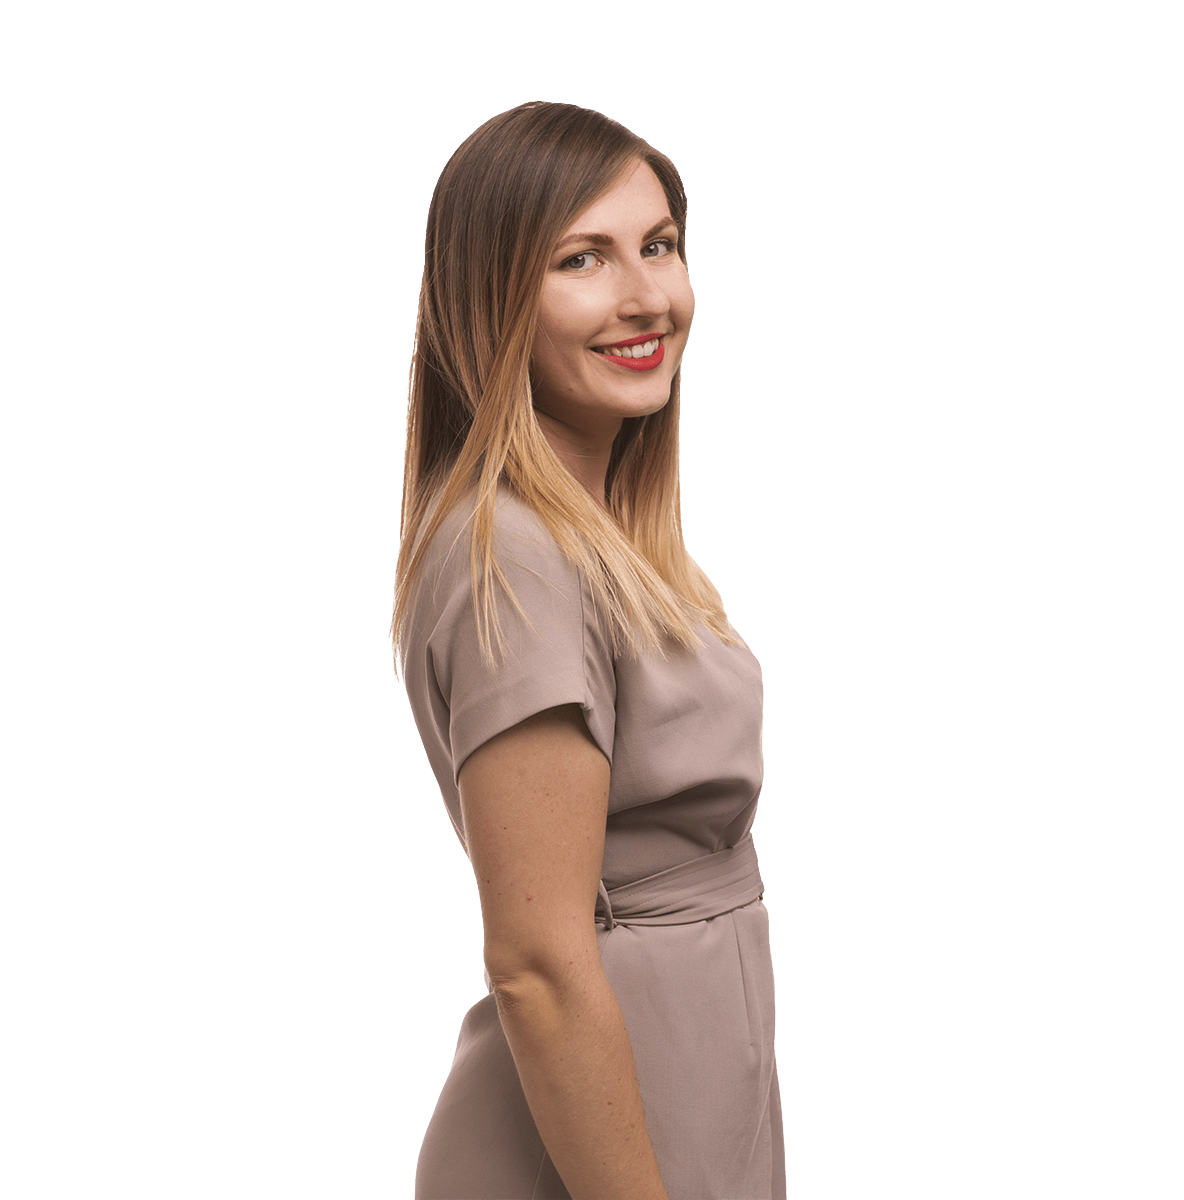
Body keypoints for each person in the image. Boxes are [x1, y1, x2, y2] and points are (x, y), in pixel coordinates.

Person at [388, 100, 785, 1200]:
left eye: (659, 245)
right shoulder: (514, 557)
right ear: (494, 298)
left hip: (683, 1088)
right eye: (582, 259)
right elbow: (537, 963)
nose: (646, 295)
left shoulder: (601, 539)